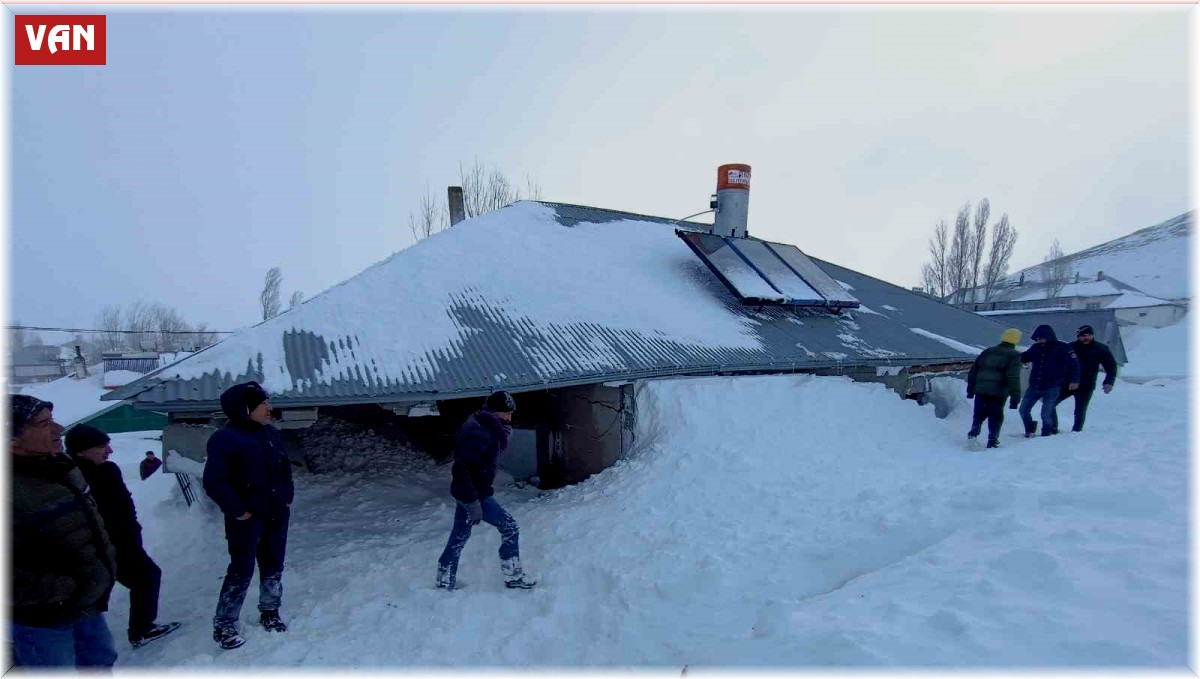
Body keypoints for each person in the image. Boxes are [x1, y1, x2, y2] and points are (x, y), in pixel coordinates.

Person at [9, 395, 118, 668]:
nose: (59, 429)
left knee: (101, 661)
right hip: (44, 617)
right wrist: (64, 588)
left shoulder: (62, 466)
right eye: (44, 424)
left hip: (85, 603)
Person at [64, 424, 181, 649]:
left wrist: (132, 527)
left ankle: (137, 629)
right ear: (80, 451)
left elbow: (123, 503)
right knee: (144, 578)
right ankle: (139, 630)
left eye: (107, 444)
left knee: (140, 579)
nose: (109, 450)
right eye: (101, 446)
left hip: (125, 537)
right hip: (103, 544)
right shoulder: (74, 478)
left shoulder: (108, 469)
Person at [203, 381, 294, 650]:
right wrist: (238, 510)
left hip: (276, 512)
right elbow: (214, 481)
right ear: (245, 409)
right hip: (246, 518)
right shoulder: (225, 438)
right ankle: (225, 624)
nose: (269, 407)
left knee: (273, 564)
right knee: (241, 569)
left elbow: (284, 468)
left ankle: (270, 611)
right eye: (262, 403)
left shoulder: (269, 433)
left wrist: (287, 495)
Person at [436, 390, 536, 591]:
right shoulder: (479, 433)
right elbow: (461, 470)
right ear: (493, 412)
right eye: (505, 414)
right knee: (509, 527)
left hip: (470, 492)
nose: (509, 418)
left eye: (511, 413)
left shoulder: (485, 425)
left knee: (459, 536)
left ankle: (444, 581)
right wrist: (473, 502)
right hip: (475, 494)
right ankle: (513, 576)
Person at [965, 328, 1024, 449]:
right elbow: (1013, 377)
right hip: (998, 392)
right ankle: (992, 440)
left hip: (981, 389)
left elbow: (973, 371)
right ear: (1016, 340)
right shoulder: (1014, 355)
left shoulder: (988, 351)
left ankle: (973, 435)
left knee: (979, 414)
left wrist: (970, 390)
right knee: (995, 416)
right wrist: (1015, 398)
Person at [1018, 324, 1081, 437]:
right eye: (1037, 339)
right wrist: (1012, 356)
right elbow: (1024, 357)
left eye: (1041, 338)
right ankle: (1030, 428)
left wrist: (1074, 380)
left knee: (1046, 413)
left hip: (1052, 386)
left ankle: (1047, 433)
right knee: (1023, 410)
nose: (1039, 341)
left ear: (1049, 336)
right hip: (1034, 386)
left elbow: (1075, 365)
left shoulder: (1063, 348)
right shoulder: (1035, 348)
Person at [1055, 324, 1118, 432]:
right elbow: (1058, 364)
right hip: (1068, 383)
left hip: (1086, 385)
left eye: (1089, 335)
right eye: (1083, 335)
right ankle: (1052, 428)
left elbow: (1111, 366)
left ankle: (1076, 432)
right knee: (1050, 404)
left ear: (1092, 335)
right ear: (1078, 336)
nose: (1086, 338)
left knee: (1080, 410)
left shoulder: (1101, 348)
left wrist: (1109, 382)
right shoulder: (1070, 347)